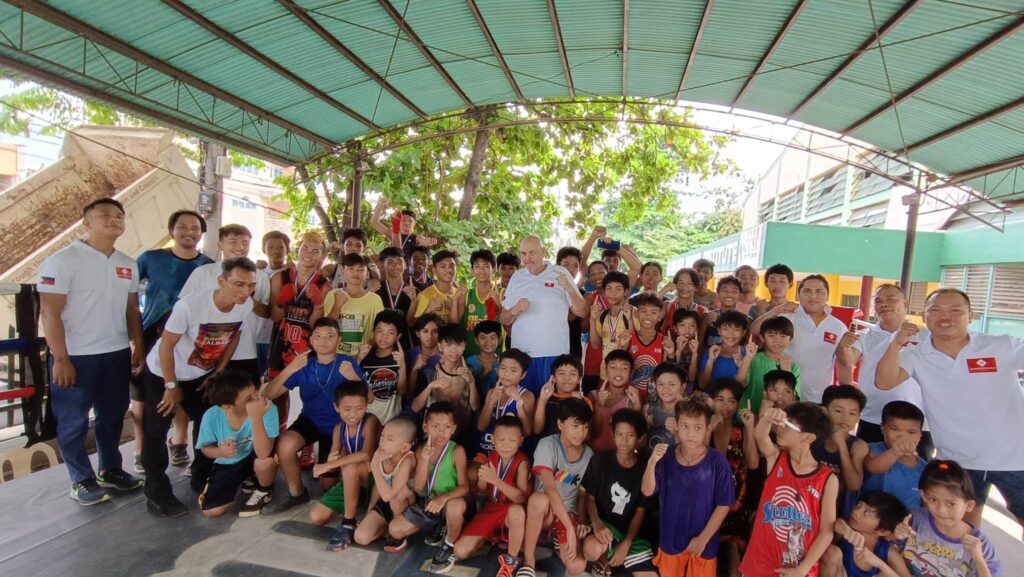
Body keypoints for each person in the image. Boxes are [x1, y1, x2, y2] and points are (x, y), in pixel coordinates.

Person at [875, 287, 1024, 529]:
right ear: (924, 317)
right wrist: (896, 343)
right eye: (935, 310)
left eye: (955, 310)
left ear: (971, 315)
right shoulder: (917, 354)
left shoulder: (1001, 345)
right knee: (962, 531)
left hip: (1016, 458)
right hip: (958, 459)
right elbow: (884, 381)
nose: (946, 317)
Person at [38, 197, 146, 505]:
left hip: (114, 352)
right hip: (75, 355)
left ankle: (110, 469)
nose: (113, 220)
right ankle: (80, 479)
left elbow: (131, 309)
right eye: (105, 215)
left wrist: (137, 344)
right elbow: (49, 313)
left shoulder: (127, 263)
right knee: (73, 420)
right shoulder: (62, 261)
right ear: (87, 221)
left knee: (112, 415)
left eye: (118, 216)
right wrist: (60, 358)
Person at [140, 257, 256, 517]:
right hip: (163, 371)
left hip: (200, 374)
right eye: (238, 284)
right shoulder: (190, 306)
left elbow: (235, 334)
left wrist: (218, 372)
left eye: (250, 285)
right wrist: (171, 385)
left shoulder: (244, 305)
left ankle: (201, 476)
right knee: (156, 428)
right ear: (221, 281)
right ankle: (156, 490)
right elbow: (167, 345)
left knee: (208, 422)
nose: (245, 291)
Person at [133, 209, 212, 472]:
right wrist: (135, 338)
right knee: (148, 397)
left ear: (201, 233)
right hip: (154, 333)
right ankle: (141, 452)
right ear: (172, 230)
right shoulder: (150, 258)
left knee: (187, 391)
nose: (189, 232)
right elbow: (128, 293)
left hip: (193, 338)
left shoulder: (208, 265)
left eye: (195, 228)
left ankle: (179, 443)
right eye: (183, 227)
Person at [260, 318, 365, 514]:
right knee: (285, 444)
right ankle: (297, 492)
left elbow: (370, 399)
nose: (323, 341)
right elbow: (269, 394)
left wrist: (354, 377)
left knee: (327, 485)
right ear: (311, 340)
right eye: (318, 336)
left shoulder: (347, 363)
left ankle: (341, 480)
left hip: (338, 427)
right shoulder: (303, 364)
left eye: (330, 336)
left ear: (339, 340)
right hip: (310, 420)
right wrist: (290, 368)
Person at [739, 402, 838, 577]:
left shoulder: (827, 480)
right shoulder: (776, 458)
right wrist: (768, 417)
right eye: (782, 423)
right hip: (759, 564)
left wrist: (802, 569)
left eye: (788, 425)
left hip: (798, 569)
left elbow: (826, 531)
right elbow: (760, 436)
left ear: (808, 438)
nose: (780, 429)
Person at [642, 398, 735, 577]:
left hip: (704, 545)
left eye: (697, 428)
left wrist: (703, 539)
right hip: (671, 540)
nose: (691, 433)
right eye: (685, 426)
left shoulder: (717, 462)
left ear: (707, 429)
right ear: (676, 425)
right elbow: (647, 491)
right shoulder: (666, 456)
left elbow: (724, 505)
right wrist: (652, 462)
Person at [179, 224, 270, 385]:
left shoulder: (260, 277)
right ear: (220, 244)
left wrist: (247, 296)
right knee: (206, 403)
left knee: (244, 403)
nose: (240, 247)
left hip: (244, 351)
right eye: (233, 241)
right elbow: (182, 310)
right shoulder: (203, 273)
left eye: (245, 243)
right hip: (204, 353)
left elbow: (266, 313)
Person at [388, 402, 470, 573]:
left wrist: (444, 498)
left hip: (450, 501)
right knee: (394, 530)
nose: (441, 432)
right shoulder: (420, 450)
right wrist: (424, 459)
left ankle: (448, 545)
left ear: (454, 429)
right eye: (435, 426)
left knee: (456, 506)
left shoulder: (457, 451)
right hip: (430, 502)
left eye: (447, 427)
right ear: (425, 427)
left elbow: (464, 487)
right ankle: (439, 525)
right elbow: (418, 486)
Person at [501, 235, 589, 395]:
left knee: (551, 406)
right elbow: (504, 318)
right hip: (522, 356)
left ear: (543, 251)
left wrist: (569, 287)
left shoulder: (560, 272)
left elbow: (581, 311)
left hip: (554, 354)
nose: (527, 258)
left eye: (532, 253)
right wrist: (515, 310)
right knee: (523, 405)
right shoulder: (517, 277)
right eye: (523, 254)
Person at [518, 397, 595, 577]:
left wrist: (579, 522)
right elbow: (550, 490)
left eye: (585, 427)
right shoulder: (547, 445)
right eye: (575, 426)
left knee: (576, 567)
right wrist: (569, 529)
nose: (581, 432)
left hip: (568, 513)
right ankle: (528, 561)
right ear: (561, 424)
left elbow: (583, 494)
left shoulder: (590, 455)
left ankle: (556, 539)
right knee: (538, 499)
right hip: (543, 512)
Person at [853, 284, 932, 459]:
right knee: (867, 476)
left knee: (915, 478)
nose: (884, 304)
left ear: (906, 304)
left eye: (891, 299)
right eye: (878, 301)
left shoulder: (927, 336)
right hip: (873, 418)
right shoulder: (865, 335)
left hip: (918, 424)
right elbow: (848, 359)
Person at [752, 274, 857, 403]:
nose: (813, 296)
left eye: (819, 291)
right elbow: (755, 330)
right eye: (807, 291)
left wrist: (848, 396)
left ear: (827, 295)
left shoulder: (838, 326)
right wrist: (775, 311)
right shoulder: (787, 318)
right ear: (798, 295)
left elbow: (845, 363)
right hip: (784, 397)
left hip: (820, 398)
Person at [452, 416, 531, 577]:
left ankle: (512, 559)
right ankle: (491, 538)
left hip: (511, 510)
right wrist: (482, 482)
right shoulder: (491, 457)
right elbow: (482, 491)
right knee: (460, 551)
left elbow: (521, 498)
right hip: (491, 508)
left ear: (521, 440)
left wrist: (495, 480)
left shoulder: (522, 462)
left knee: (517, 512)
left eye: (512, 440)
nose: (506, 445)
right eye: (501, 440)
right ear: (493, 439)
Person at [583, 409, 658, 577]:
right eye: (619, 434)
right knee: (590, 549)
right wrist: (596, 523)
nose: (623, 441)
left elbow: (641, 510)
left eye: (630, 436)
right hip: (605, 525)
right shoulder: (599, 461)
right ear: (612, 434)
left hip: (632, 534)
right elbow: (590, 497)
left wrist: (626, 543)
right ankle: (603, 560)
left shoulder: (645, 468)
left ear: (639, 438)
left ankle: (618, 561)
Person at [309, 381, 382, 552]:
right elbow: (335, 460)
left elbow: (366, 455)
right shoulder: (338, 429)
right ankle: (355, 502)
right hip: (352, 479)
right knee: (316, 517)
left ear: (366, 405)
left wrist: (328, 464)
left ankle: (348, 522)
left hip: (374, 479)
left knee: (350, 468)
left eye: (359, 408)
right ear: (336, 407)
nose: (353, 414)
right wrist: (331, 461)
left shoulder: (371, 422)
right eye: (347, 409)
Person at [194, 370, 278, 517]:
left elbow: (264, 452)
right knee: (212, 511)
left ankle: (264, 490)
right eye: (248, 399)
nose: (257, 398)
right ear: (226, 406)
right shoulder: (211, 416)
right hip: (229, 460)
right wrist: (220, 452)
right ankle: (245, 478)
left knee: (264, 463)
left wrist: (256, 418)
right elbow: (206, 448)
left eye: (255, 392)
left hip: (256, 454)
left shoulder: (267, 408)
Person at [900, 460, 1001, 577]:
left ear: (969, 506)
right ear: (923, 496)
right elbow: (888, 550)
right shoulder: (913, 519)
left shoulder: (980, 545)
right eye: (933, 499)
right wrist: (896, 534)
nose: (941, 510)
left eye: (951, 504)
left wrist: (979, 559)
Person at [710, 379, 759, 577]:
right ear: (712, 401)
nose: (725, 406)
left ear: (738, 404)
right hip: (707, 497)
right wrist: (708, 429)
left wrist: (750, 428)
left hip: (736, 498)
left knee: (733, 551)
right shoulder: (702, 427)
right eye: (720, 399)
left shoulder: (741, 430)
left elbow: (754, 463)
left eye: (731, 401)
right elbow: (699, 458)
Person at [267, 231, 329, 378]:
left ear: (321, 256)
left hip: (307, 350)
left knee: (305, 397)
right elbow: (275, 318)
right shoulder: (278, 278)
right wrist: (282, 302)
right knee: (276, 395)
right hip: (280, 347)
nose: (309, 253)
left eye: (315, 251)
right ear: (297, 250)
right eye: (305, 248)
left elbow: (316, 326)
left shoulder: (325, 286)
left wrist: (318, 305)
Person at [353, 416, 418, 550]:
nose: (382, 441)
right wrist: (369, 511)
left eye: (390, 439)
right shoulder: (382, 453)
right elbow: (378, 488)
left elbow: (389, 495)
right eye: (382, 436)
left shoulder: (407, 460)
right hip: (386, 501)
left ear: (405, 447)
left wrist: (374, 466)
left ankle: (399, 534)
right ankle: (386, 526)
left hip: (404, 505)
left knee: (397, 495)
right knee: (360, 537)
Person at [819, 492, 912, 577]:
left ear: (883, 531)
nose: (856, 512)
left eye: (866, 513)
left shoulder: (888, 551)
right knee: (832, 552)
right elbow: (836, 524)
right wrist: (847, 532)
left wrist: (880, 564)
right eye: (859, 505)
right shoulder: (847, 528)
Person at [412, 325, 481, 438]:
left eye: (459, 344)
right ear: (440, 346)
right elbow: (415, 407)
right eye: (448, 345)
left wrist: (471, 383)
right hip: (433, 435)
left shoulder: (471, 372)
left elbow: (475, 407)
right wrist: (430, 387)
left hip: (462, 434)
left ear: (464, 346)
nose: (454, 350)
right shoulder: (430, 372)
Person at [862, 401, 927, 512]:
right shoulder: (871, 449)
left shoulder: (924, 468)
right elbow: (874, 467)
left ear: (920, 435)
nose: (902, 437)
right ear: (883, 429)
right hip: (869, 523)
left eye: (911, 432)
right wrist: (896, 451)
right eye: (894, 429)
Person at [815, 385, 869, 517]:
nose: (845, 418)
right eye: (839, 411)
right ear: (824, 411)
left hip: (839, 513)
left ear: (858, 417)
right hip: (809, 505)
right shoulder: (813, 438)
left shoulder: (858, 446)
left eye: (852, 413)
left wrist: (842, 446)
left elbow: (854, 485)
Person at [477, 349, 536, 460]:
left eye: (513, 370)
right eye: (503, 368)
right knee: (473, 473)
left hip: (512, 451)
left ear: (523, 374)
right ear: (498, 370)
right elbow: (481, 427)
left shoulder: (526, 395)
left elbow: (527, 432)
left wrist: (519, 402)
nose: (507, 374)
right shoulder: (491, 392)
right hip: (489, 446)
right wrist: (491, 403)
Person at [324, 254, 385, 356]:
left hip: (362, 358)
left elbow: (380, 331)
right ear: (343, 272)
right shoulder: (333, 295)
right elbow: (325, 328)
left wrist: (361, 354)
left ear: (367, 274)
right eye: (351, 268)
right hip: (333, 357)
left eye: (361, 269)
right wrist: (337, 305)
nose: (355, 273)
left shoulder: (375, 300)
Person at [740, 315, 799, 417]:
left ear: (790, 338)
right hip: (748, 418)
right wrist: (747, 359)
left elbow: (795, 399)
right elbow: (740, 384)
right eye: (771, 336)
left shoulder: (793, 367)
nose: (778, 340)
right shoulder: (754, 359)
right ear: (762, 337)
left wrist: (787, 373)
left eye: (783, 336)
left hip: (778, 422)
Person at [358, 310, 408, 425]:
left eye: (390, 333)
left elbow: (403, 391)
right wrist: (358, 359)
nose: (384, 337)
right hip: (367, 420)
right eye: (380, 331)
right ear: (373, 332)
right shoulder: (365, 357)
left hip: (392, 422)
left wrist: (403, 366)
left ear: (397, 336)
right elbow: (354, 386)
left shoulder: (399, 358)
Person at [452, 249, 503, 357]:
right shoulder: (466, 295)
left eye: (486, 266)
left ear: (493, 269)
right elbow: (454, 325)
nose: (481, 270)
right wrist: (455, 300)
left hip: (496, 357)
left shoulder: (503, 293)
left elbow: (508, 324)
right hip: (470, 355)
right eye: (477, 266)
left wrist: (499, 305)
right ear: (472, 270)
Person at [589, 350, 642, 453]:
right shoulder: (593, 396)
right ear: (605, 370)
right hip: (594, 456)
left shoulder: (633, 399)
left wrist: (637, 408)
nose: (618, 372)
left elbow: (638, 442)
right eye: (613, 367)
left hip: (620, 459)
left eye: (624, 368)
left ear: (631, 372)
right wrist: (598, 406)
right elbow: (593, 434)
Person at [256, 231, 291, 375]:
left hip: (280, 337)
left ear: (287, 250)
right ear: (264, 249)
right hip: (257, 335)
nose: (275, 251)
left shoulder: (293, 275)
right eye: (270, 247)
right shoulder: (256, 273)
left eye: (280, 247)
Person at [589, 271, 634, 382]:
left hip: (627, 374)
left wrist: (630, 320)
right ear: (604, 291)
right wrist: (592, 320)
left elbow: (638, 342)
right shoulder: (602, 316)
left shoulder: (634, 313)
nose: (613, 293)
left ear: (626, 291)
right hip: (605, 373)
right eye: (609, 288)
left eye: (618, 289)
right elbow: (595, 345)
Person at [626, 292, 669, 401]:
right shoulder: (628, 339)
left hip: (655, 399)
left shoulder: (664, 341)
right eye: (643, 311)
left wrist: (672, 353)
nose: (648, 316)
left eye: (653, 312)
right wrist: (621, 347)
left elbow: (666, 371)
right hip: (631, 396)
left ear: (659, 316)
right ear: (636, 314)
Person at [370, 198, 438, 267]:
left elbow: (423, 240)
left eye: (410, 221)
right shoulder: (392, 233)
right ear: (399, 221)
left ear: (414, 224)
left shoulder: (416, 237)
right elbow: (374, 223)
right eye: (404, 220)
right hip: (393, 267)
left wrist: (429, 240)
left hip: (408, 270)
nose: (407, 223)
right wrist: (380, 206)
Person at [534, 354, 590, 438]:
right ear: (553, 378)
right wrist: (542, 400)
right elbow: (537, 430)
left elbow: (587, 436)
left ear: (579, 379)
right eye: (561, 373)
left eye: (572, 374)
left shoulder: (585, 401)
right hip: (548, 446)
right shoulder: (545, 397)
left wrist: (577, 404)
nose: (567, 378)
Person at [698, 310, 755, 391]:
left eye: (736, 329)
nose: (730, 334)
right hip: (711, 402)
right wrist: (710, 361)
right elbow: (702, 385)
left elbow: (742, 385)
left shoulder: (748, 355)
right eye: (725, 329)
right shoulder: (710, 353)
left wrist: (745, 361)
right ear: (719, 331)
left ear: (744, 333)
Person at [376, 246, 418, 348]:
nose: (396, 266)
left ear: (405, 265)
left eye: (400, 262)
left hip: (406, 344)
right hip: (379, 344)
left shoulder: (414, 291)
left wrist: (414, 301)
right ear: (381, 265)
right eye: (390, 262)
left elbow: (411, 323)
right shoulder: (376, 290)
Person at [411, 249, 459, 325]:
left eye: (452, 266)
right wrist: (428, 310)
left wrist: (453, 307)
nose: (449, 270)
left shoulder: (462, 295)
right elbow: (415, 326)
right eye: (443, 266)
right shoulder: (425, 296)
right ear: (434, 270)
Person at [644, 363, 686, 448]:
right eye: (661, 384)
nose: (665, 389)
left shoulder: (687, 414)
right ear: (655, 386)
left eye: (672, 384)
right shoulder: (648, 409)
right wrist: (644, 426)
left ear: (682, 388)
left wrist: (677, 432)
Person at [557, 246, 587, 359]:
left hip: (573, 346)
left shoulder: (582, 293)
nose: (571, 269)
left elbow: (572, 317)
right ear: (558, 265)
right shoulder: (549, 291)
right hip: (552, 347)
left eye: (575, 266)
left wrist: (573, 289)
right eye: (566, 264)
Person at [702, 276, 748, 349]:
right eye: (724, 290)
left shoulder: (745, 319)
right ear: (717, 294)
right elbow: (699, 343)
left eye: (734, 291)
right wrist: (704, 323)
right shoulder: (708, 316)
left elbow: (748, 345)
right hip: (710, 359)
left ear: (740, 295)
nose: (729, 294)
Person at [661, 268, 709, 337]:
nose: (684, 287)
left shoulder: (703, 312)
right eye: (681, 283)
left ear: (696, 287)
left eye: (690, 284)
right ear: (675, 285)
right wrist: (663, 291)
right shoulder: (667, 305)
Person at [666, 308, 701, 392]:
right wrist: (678, 350)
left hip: (690, 392)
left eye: (692, 325)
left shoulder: (700, 349)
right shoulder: (669, 346)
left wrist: (695, 353)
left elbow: (692, 378)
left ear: (697, 329)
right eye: (682, 325)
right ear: (675, 328)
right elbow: (671, 374)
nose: (687, 329)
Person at [466, 320, 502, 395]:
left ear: (499, 340)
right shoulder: (468, 362)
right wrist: (482, 375)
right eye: (483, 338)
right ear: (476, 340)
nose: (487, 342)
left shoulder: (503, 363)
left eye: (492, 338)